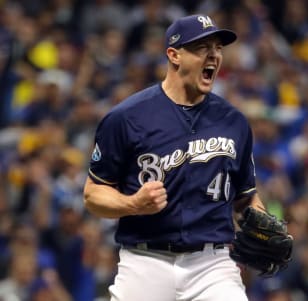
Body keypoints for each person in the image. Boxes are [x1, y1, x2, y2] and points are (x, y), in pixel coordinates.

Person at [83, 14, 271, 301]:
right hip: (145, 262)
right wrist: (132, 204)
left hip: (212, 265)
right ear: (174, 55)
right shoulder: (126, 118)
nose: (213, 55)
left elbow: (245, 197)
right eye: (201, 48)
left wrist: (262, 224)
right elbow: (93, 194)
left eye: (218, 48)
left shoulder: (234, 122)